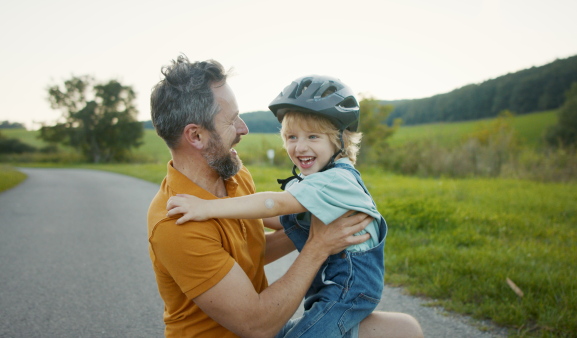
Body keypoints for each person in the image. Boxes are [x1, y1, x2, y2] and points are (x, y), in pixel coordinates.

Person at [148, 55, 423, 338]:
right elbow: (257, 326)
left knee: (405, 329)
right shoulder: (176, 221)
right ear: (195, 136)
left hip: (269, 329)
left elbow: (250, 252)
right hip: (251, 329)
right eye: (232, 120)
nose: (245, 128)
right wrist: (318, 246)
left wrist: (320, 223)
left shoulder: (234, 177)